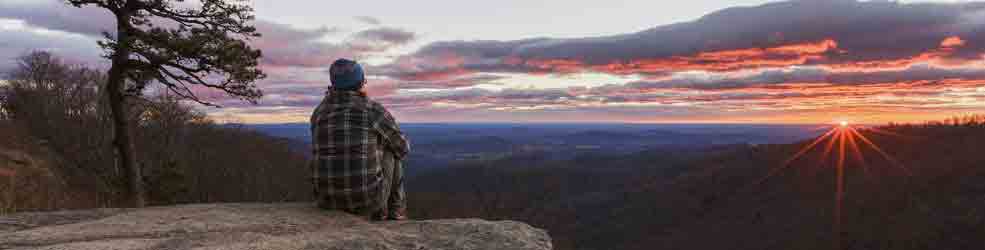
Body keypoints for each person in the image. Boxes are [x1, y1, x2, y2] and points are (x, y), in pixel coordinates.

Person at [310, 59, 410, 221]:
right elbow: (403, 148)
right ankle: (396, 214)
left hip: (325, 199)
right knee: (392, 150)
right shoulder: (371, 109)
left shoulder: (319, 112)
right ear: (360, 83)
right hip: (367, 203)